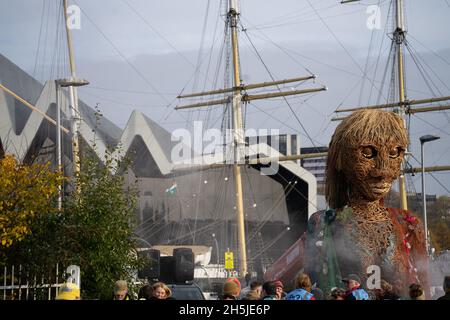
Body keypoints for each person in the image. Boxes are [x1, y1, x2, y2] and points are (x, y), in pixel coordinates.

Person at [304, 109, 429, 297]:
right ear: (341, 159)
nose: (383, 170)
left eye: (394, 153)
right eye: (368, 153)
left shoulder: (408, 224)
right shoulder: (324, 222)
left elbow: (423, 284)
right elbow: (318, 281)